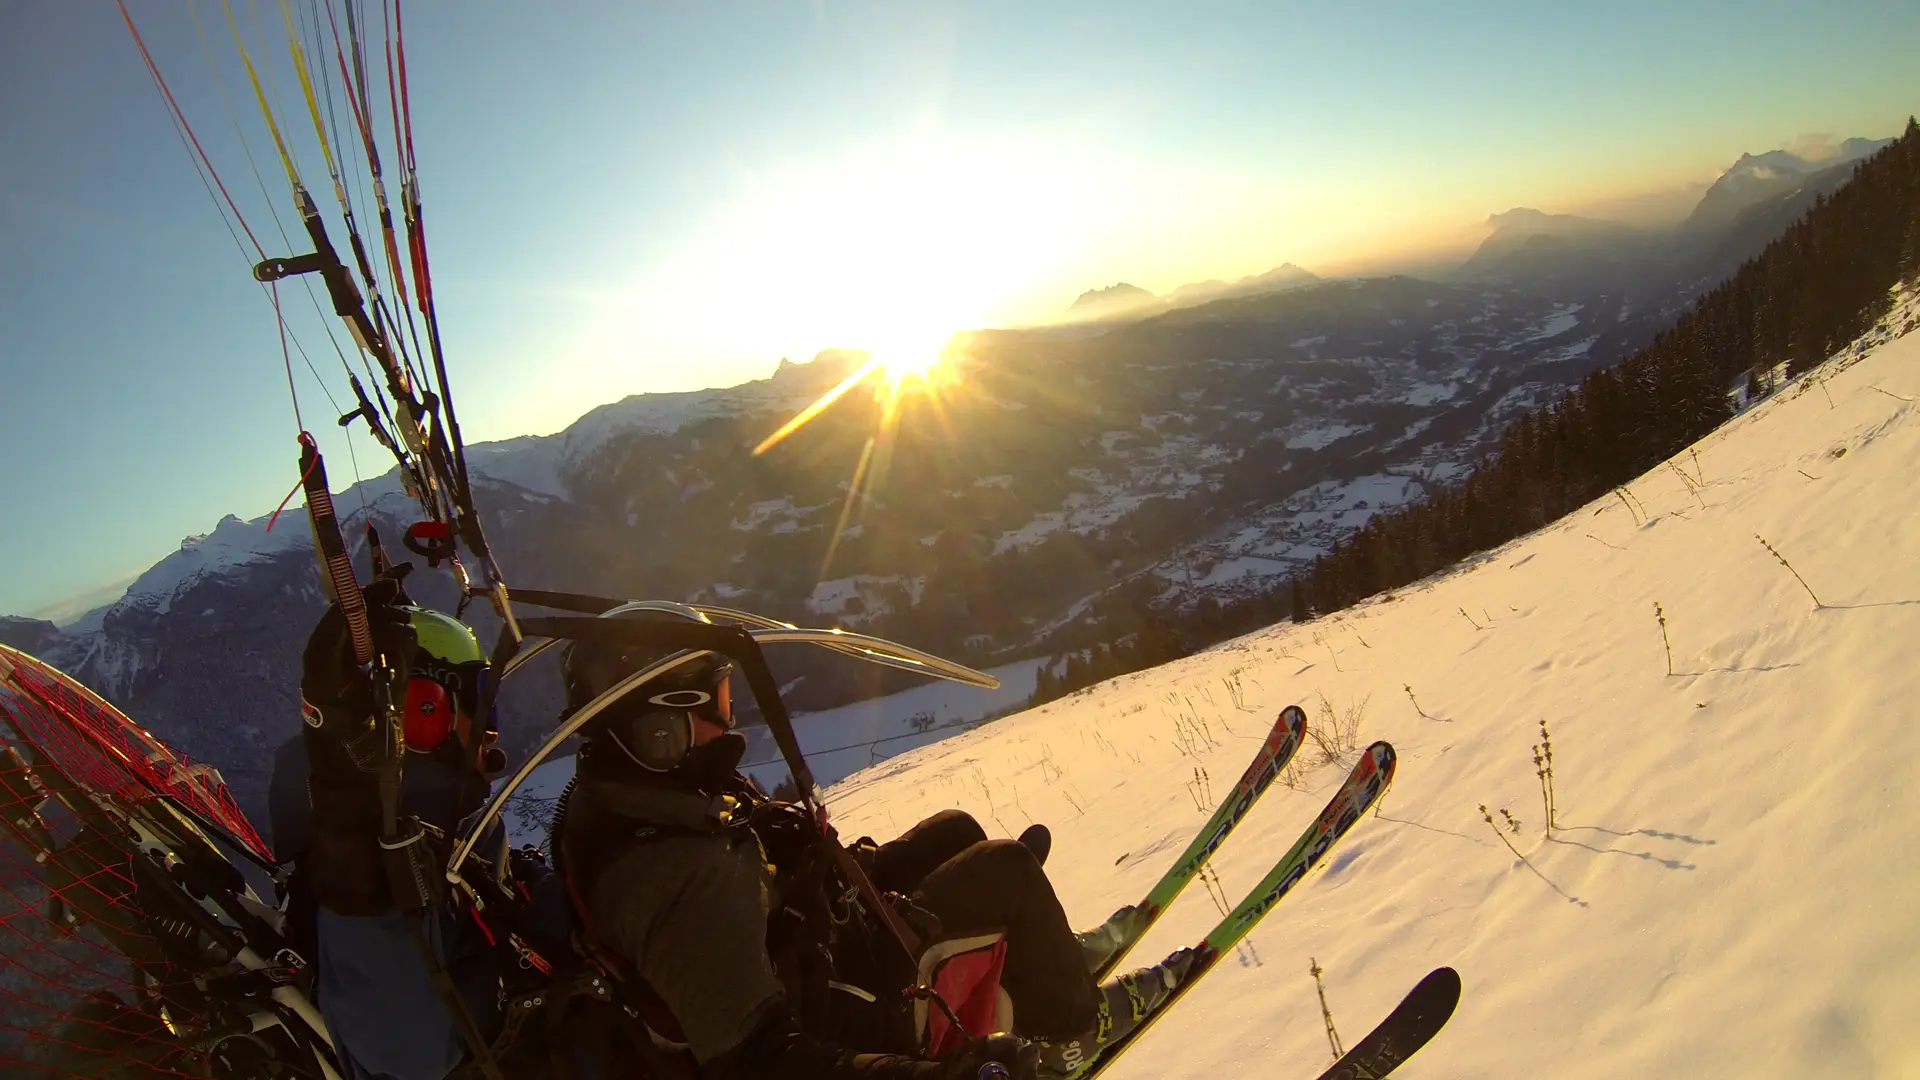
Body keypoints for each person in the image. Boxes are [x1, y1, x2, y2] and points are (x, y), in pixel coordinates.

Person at [550, 605, 1198, 1080]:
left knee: (956, 830)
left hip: (810, 943)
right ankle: (1071, 1030)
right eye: (716, 702)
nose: (729, 718)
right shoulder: (679, 881)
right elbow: (760, 1059)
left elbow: (745, 887)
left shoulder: (638, 795)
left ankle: (1045, 961)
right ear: (660, 731)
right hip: (843, 1008)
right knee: (1006, 868)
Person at [288, 569, 510, 1080]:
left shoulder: (456, 820)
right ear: (422, 710)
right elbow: (407, 1058)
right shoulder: (387, 857)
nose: (492, 726)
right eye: (480, 699)